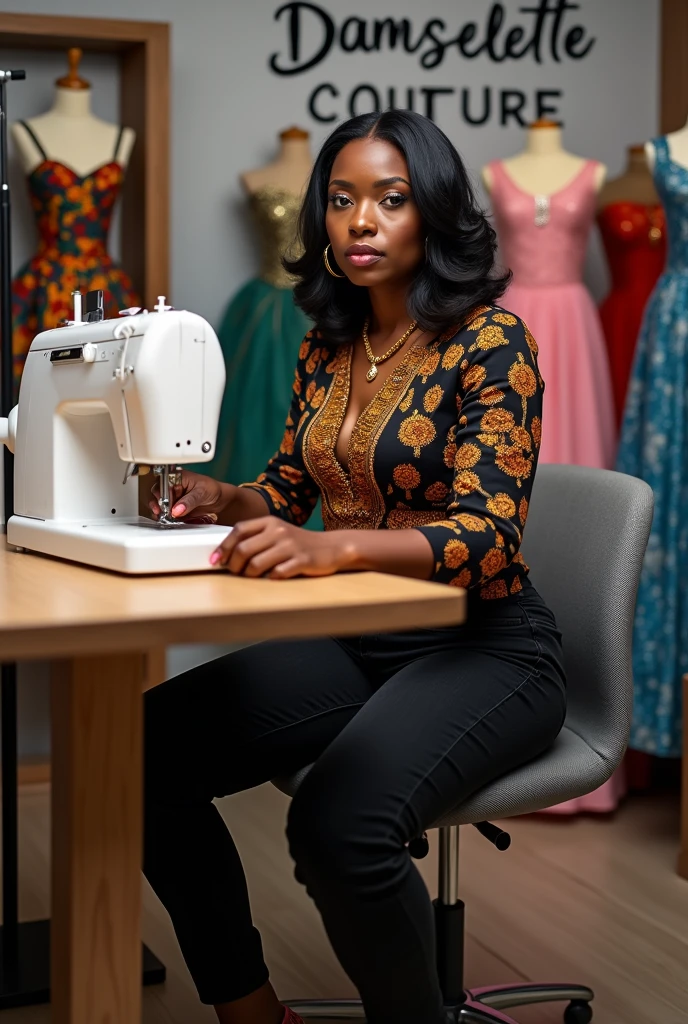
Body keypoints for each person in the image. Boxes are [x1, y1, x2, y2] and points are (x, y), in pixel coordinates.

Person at [144, 110, 567, 1024]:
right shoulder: (328, 345)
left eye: (390, 199)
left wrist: (329, 548)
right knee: (138, 756)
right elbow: (289, 486)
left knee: (338, 824)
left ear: (434, 216)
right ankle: (250, 1008)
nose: (361, 221)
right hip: (356, 642)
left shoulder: (495, 344)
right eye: (342, 201)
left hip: (486, 648)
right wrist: (231, 499)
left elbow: (487, 533)